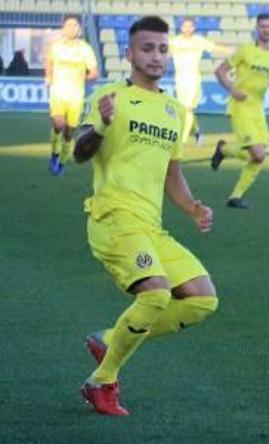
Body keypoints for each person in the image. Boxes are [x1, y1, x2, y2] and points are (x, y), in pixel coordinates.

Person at [73, 16, 218, 416]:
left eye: (162, 48)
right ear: (130, 54)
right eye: (147, 48)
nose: (156, 56)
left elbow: (173, 173)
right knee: (155, 292)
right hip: (113, 219)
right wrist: (101, 125)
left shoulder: (174, 111)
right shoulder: (110, 97)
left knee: (203, 300)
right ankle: (103, 380)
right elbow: (79, 152)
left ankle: (111, 337)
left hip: (150, 227)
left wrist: (192, 208)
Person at [211, 13, 269, 208]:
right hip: (241, 107)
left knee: (260, 155)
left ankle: (235, 196)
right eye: (263, 26)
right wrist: (232, 89)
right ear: (257, 29)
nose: (266, 29)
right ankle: (223, 150)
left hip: (258, 110)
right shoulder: (245, 50)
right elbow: (220, 70)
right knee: (258, 154)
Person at [45, 15, 98, 175]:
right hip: (58, 92)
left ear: (79, 29)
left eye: (74, 26)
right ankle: (54, 154)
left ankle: (62, 161)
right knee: (58, 124)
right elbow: (49, 61)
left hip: (76, 95)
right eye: (68, 25)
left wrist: (86, 77)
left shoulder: (85, 49)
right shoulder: (56, 46)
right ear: (63, 28)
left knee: (69, 133)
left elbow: (94, 72)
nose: (71, 29)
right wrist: (48, 75)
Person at [170, 17, 230, 145]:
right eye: (185, 26)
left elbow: (214, 48)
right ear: (181, 27)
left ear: (194, 28)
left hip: (193, 80)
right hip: (179, 80)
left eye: (190, 26)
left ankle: (182, 141)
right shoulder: (174, 42)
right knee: (183, 110)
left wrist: (234, 51)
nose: (187, 28)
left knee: (187, 109)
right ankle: (197, 132)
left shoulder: (199, 41)